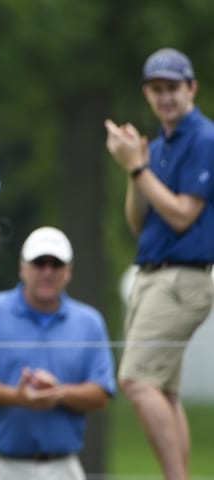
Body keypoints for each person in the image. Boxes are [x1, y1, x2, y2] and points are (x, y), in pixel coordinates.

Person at [105, 47, 214, 480]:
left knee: (136, 382)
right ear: (148, 94)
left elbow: (183, 214)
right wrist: (136, 167)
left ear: (192, 89)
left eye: (173, 88)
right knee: (164, 391)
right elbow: (138, 222)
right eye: (156, 89)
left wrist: (136, 170)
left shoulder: (203, 139)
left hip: (182, 279)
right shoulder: (164, 143)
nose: (165, 97)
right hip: (153, 276)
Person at [0, 226, 116, 480]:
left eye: (56, 264)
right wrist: (16, 397)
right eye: (40, 263)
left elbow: (102, 393)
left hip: (62, 466)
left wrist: (59, 392)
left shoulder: (89, 322)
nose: (48, 272)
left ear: (69, 271)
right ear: (22, 268)